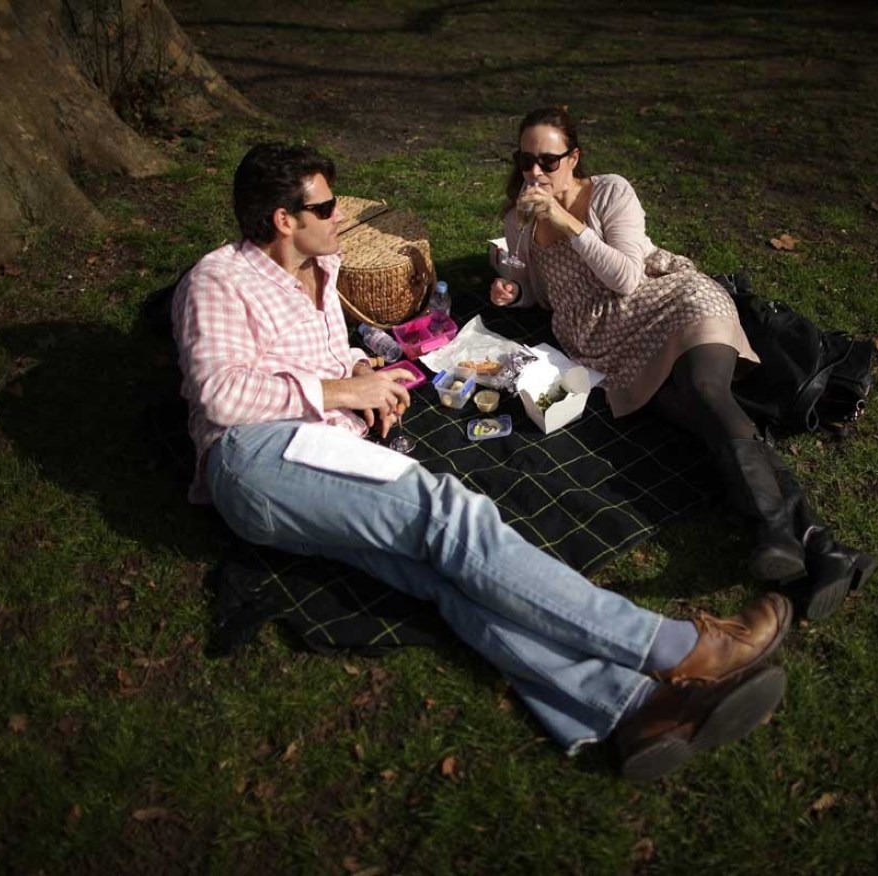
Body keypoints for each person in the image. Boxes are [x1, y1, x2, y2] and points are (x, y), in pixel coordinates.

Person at [172, 141, 796, 782]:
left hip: (322, 451)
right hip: (257, 456)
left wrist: (361, 375)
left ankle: (630, 708)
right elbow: (218, 395)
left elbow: (327, 363)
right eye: (326, 206)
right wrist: (341, 393)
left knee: (447, 579)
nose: (340, 217)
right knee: (450, 517)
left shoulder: (323, 273)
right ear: (283, 219)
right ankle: (679, 647)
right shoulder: (218, 279)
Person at [489, 106, 874, 616]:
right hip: (611, 345)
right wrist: (509, 292)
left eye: (548, 160)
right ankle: (823, 549)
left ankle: (775, 532)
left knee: (706, 392)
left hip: (674, 303)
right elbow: (536, 292)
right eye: (525, 159)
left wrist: (567, 222)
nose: (535, 172)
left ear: (574, 157)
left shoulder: (609, 192)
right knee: (705, 421)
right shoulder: (519, 218)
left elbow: (626, 277)